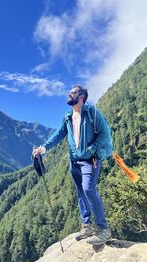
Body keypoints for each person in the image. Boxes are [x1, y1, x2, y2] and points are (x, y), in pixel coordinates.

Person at [33, 85, 113, 245]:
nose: (69, 93)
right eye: (70, 92)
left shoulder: (92, 113)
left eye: (73, 92)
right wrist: (44, 148)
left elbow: (105, 134)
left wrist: (92, 149)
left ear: (82, 96)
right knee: (81, 192)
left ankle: (104, 230)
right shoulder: (68, 117)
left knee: (89, 189)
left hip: (90, 160)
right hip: (74, 161)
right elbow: (59, 134)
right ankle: (87, 225)